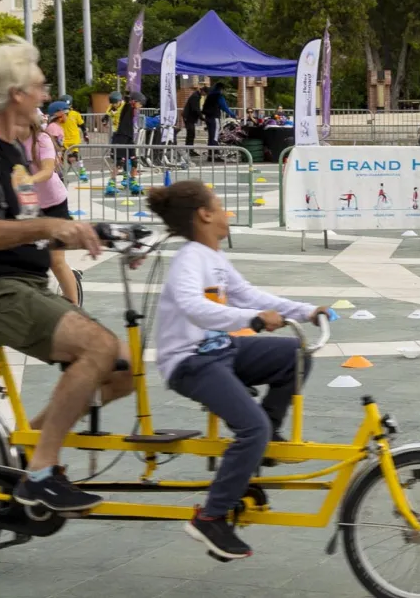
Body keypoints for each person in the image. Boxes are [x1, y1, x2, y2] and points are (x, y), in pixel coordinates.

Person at [0, 41, 133, 512]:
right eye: (40, 86)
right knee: (98, 347)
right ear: (15, 93)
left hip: (26, 286)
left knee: (124, 369)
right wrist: (47, 226)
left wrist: (101, 235)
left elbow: (27, 228)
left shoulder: (13, 154)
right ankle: (41, 473)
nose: (46, 96)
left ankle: (25, 452)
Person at [146, 180, 329, 559]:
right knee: (252, 428)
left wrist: (306, 311)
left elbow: (250, 295)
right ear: (204, 215)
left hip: (222, 350)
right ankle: (211, 517)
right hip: (191, 360)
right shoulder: (189, 258)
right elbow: (193, 306)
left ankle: (264, 439)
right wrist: (252, 319)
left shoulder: (213, 257)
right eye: (220, 206)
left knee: (297, 355)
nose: (226, 213)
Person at [19, 117, 80, 303]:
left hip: (54, 204)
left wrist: (28, 180)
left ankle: (74, 308)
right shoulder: (8, 141)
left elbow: (47, 170)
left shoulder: (42, 139)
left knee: (56, 261)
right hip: (29, 205)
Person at [107, 91, 144, 197]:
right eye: (140, 103)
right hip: (120, 138)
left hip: (129, 138)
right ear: (134, 102)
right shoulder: (127, 107)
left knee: (134, 161)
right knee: (120, 162)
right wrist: (128, 96)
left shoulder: (132, 110)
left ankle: (132, 182)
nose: (141, 106)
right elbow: (126, 103)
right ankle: (111, 184)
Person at [53, 98, 87, 182]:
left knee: (77, 156)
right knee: (62, 158)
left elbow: (82, 125)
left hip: (74, 140)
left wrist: (85, 134)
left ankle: (82, 172)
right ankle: (61, 174)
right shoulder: (59, 115)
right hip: (63, 141)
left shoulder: (75, 114)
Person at [203, 83, 236, 147]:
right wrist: (232, 114)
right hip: (214, 118)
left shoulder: (209, 96)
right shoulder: (219, 96)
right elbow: (224, 107)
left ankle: (210, 152)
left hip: (207, 118)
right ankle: (215, 151)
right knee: (215, 136)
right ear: (221, 89)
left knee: (210, 136)